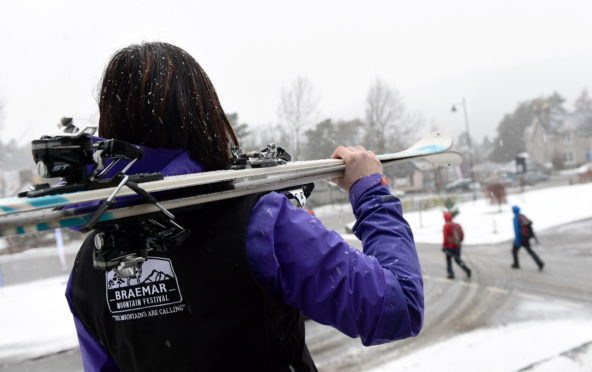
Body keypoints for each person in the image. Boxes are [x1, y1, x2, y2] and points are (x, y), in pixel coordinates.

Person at [65, 42, 423, 372]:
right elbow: (397, 308)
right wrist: (371, 194)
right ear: (203, 114)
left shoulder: (88, 267)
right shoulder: (262, 225)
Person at [511, 205, 544, 270]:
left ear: (513, 211)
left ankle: (516, 264)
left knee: (514, 251)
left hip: (521, 238)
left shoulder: (516, 218)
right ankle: (540, 263)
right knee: (530, 251)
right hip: (526, 237)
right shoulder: (522, 216)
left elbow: (517, 231)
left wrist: (518, 241)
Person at [441, 211, 471, 279]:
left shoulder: (446, 226)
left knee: (448, 260)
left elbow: (445, 237)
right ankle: (466, 269)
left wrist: (444, 246)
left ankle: (450, 273)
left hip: (450, 247)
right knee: (458, 259)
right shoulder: (457, 225)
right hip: (457, 246)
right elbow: (462, 235)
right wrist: (459, 242)